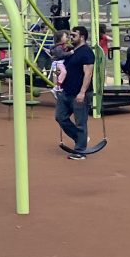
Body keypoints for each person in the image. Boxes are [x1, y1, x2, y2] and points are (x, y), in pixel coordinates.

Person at [51, 27, 95, 159]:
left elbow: (88, 73)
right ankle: (80, 138)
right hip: (66, 92)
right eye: (70, 35)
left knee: (80, 122)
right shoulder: (71, 51)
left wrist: (82, 92)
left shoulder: (87, 52)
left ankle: (80, 151)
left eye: (73, 35)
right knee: (60, 117)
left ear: (82, 37)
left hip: (79, 93)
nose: (70, 37)